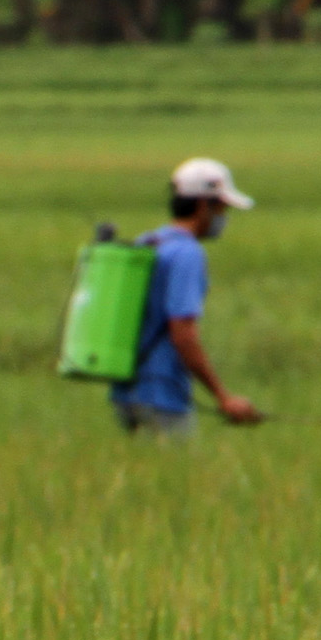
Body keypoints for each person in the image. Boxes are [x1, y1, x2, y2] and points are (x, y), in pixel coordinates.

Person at [114, 156, 264, 435]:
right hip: (162, 396)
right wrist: (224, 397)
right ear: (203, 205)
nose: (223, 218)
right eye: (221, 208)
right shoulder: (187, 254)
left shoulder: (148, 241)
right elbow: (183, 332)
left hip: (124, 392)